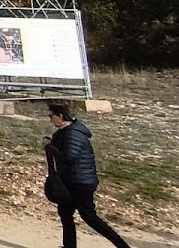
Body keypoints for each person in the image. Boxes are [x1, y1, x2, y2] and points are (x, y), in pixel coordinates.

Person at [43, 104, 131, 248]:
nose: (50, 120)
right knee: (65, 214)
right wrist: (51, 145)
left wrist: (49, 147)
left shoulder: (73, 134)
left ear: (60, 116)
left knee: (90, 218)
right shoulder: (64, 132)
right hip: (70, 181)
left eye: (51, 116)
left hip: (80, 183)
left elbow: (69, 157)